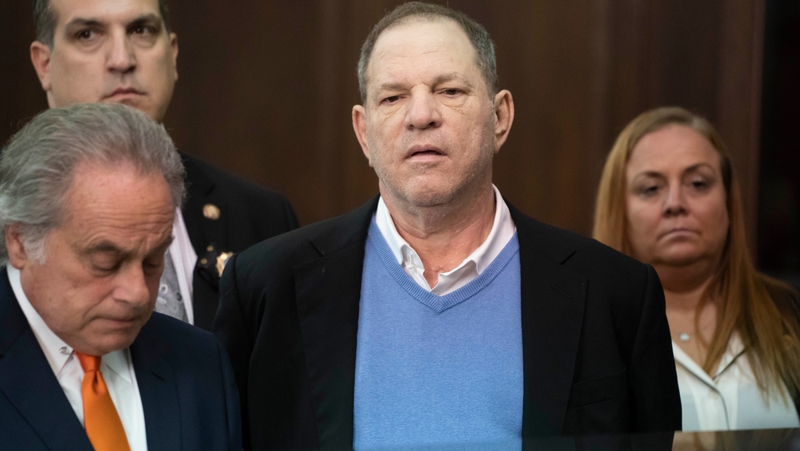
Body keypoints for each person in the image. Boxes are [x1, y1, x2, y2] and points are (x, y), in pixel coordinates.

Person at [213, 3, 681, 450]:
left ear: (500, 117)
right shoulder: (266, 288)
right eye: (393, 97)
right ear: (363, 133)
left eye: (449, 91)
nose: (421, 115)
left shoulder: (614, 293)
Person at [28, 0, 298, 330]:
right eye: (88, 35)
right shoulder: (10, 215)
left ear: (172, 54)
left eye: (141, 30)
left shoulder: (262, 218)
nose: (122, 60)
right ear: (44, 65)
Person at [0, 103, 240, 450]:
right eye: (105, 263)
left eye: (154, 260)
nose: (138, 293)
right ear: (20, 239)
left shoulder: (200, 363)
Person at [593, 106, 800, 431]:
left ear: (728, 200)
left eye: (698, 183)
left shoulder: (789, 314)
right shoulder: (582, 331)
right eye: (651, 188)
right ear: (619, 209)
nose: (676, 203)